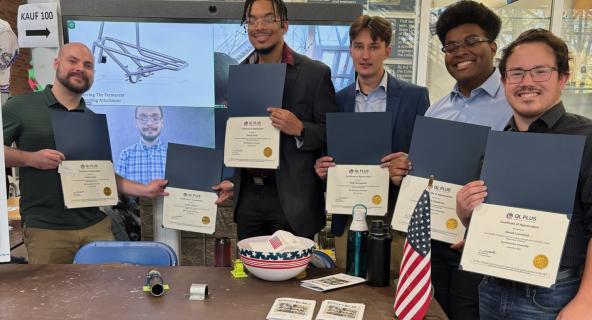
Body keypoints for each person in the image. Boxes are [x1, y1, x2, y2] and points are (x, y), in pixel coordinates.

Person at [456, 29, 592, 320]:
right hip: (491, 287)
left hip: (554, 296)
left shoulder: (586, 138)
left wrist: (586, 301)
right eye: (516, 73)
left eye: (540, 71)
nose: (527, 82)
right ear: (504, 81)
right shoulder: (496, 144)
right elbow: (487, 217)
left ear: (563, 78)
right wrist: (466, 212)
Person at [388, 2, 511, 319]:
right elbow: (427, 173)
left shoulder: (514, 105)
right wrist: (407, 167)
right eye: (451, 47)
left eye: (471, 41)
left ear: (493, 46)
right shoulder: (437, 111)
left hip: (487, 247)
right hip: (437, 242)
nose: (460, 52)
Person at [2, 43, 168, 264]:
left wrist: (144, 189)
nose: (80, 68)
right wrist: (30, 159)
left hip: (95, 228)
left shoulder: (92, 120)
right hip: (47, 231)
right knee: (52, 297)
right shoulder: (22, 106)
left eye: (88, 65)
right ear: (56, 63)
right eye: (73, 61)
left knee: (106, 294)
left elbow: (105, 176)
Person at [213, 0, 338, 240]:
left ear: (285, 25)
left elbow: (331, 133)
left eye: (268, 18)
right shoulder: (239, 74)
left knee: (294, 275)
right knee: (249, 274)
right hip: (249, 197)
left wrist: (300, 128)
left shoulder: (315, 73)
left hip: (293, 201)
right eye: (252, 20)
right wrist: (234, 181)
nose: (259, 26)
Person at [313, 15, 429, 269]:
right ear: (350, 50)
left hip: (395, 218)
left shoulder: (415, 97)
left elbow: (427, 158)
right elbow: (326, 153)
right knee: (348, 289)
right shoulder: (336, 100)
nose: (365, 55)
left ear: (387, 50)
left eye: (374, 47)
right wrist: (321, 168)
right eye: (359, 46)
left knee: (389, 297)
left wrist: (408, 165)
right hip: (348, 214)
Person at [116, 106, 167, 184]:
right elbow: (119, 190)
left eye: (155, 118)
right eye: (143, 119)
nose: (149, 123)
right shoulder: (125, 155)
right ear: (136, 122)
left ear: (162, 122)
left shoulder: (171, 155)